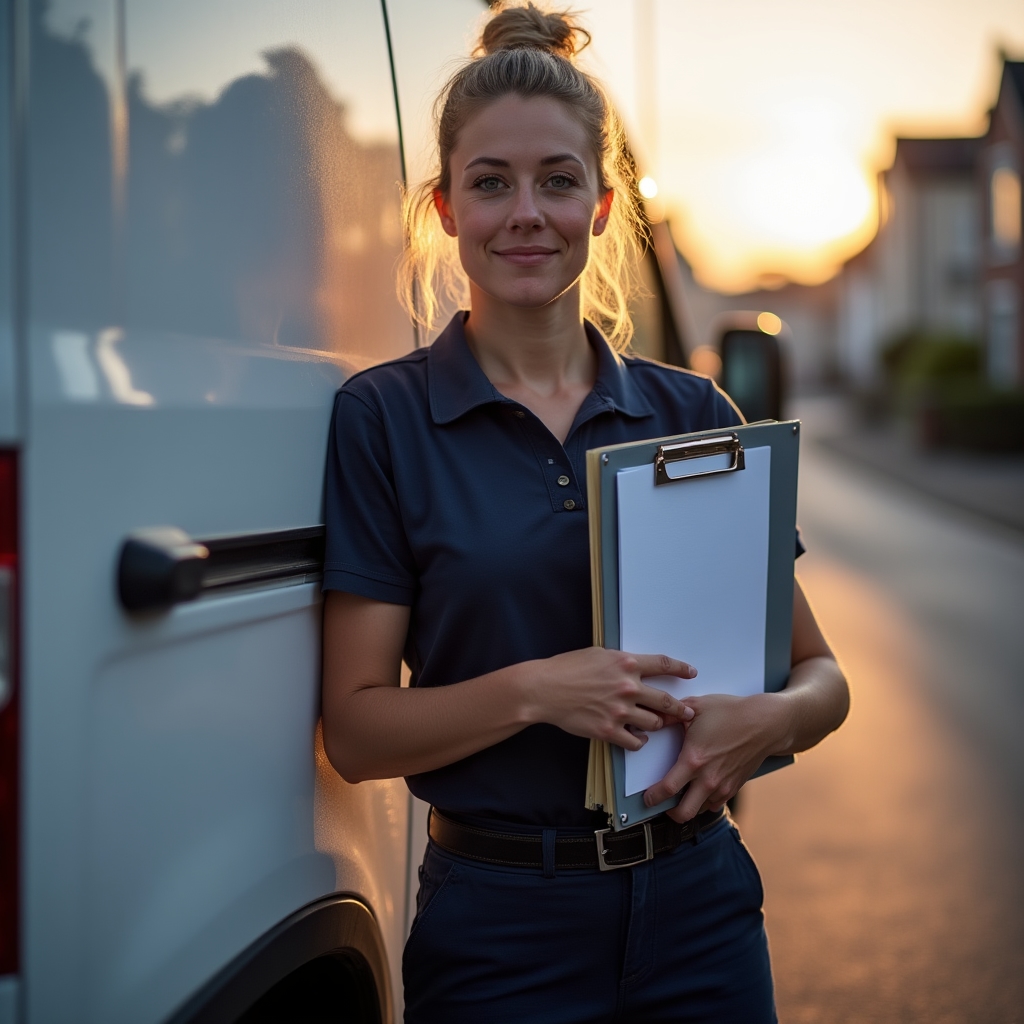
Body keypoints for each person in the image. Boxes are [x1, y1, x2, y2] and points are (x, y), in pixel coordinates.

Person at [321, 4, 849, 1021]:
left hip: (701, 907)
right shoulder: (382, 417)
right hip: (499, 930)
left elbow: (823, 677)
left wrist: (766, 721)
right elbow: (355, 729)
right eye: (491, 182)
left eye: (558, 180)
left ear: (603, 206)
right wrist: (535, 691)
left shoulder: (690, 409)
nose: (527, 212)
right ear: (443, 207)